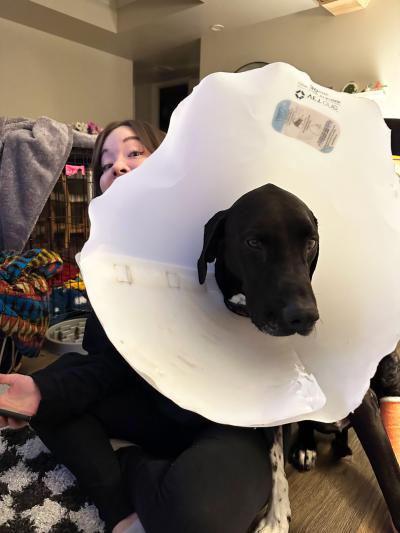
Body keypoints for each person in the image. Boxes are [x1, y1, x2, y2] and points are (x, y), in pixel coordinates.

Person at [0, 119, 272, 533]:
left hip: (220, 414)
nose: (118, 168)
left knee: (198, 518)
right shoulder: (104, 262)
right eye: (105, 164)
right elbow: (108, 365)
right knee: (51, 391)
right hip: (147, 404)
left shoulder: (213, 236)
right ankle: (122, 509)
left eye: (133, 152)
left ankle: (132, 464)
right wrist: (42, 391)